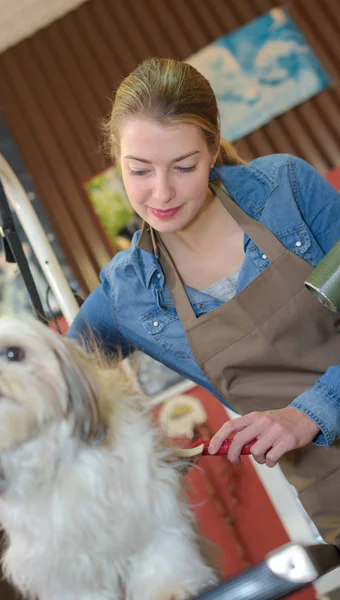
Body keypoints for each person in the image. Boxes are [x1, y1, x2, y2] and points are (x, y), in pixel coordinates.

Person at [68, 57, 340, 545]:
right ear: (117, 161)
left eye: (184, 166)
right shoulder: (129, 292)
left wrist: (310, 412)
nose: (162, 192)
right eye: (139, 171)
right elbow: (60, 377)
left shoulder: (285, 190)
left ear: (213, 148)